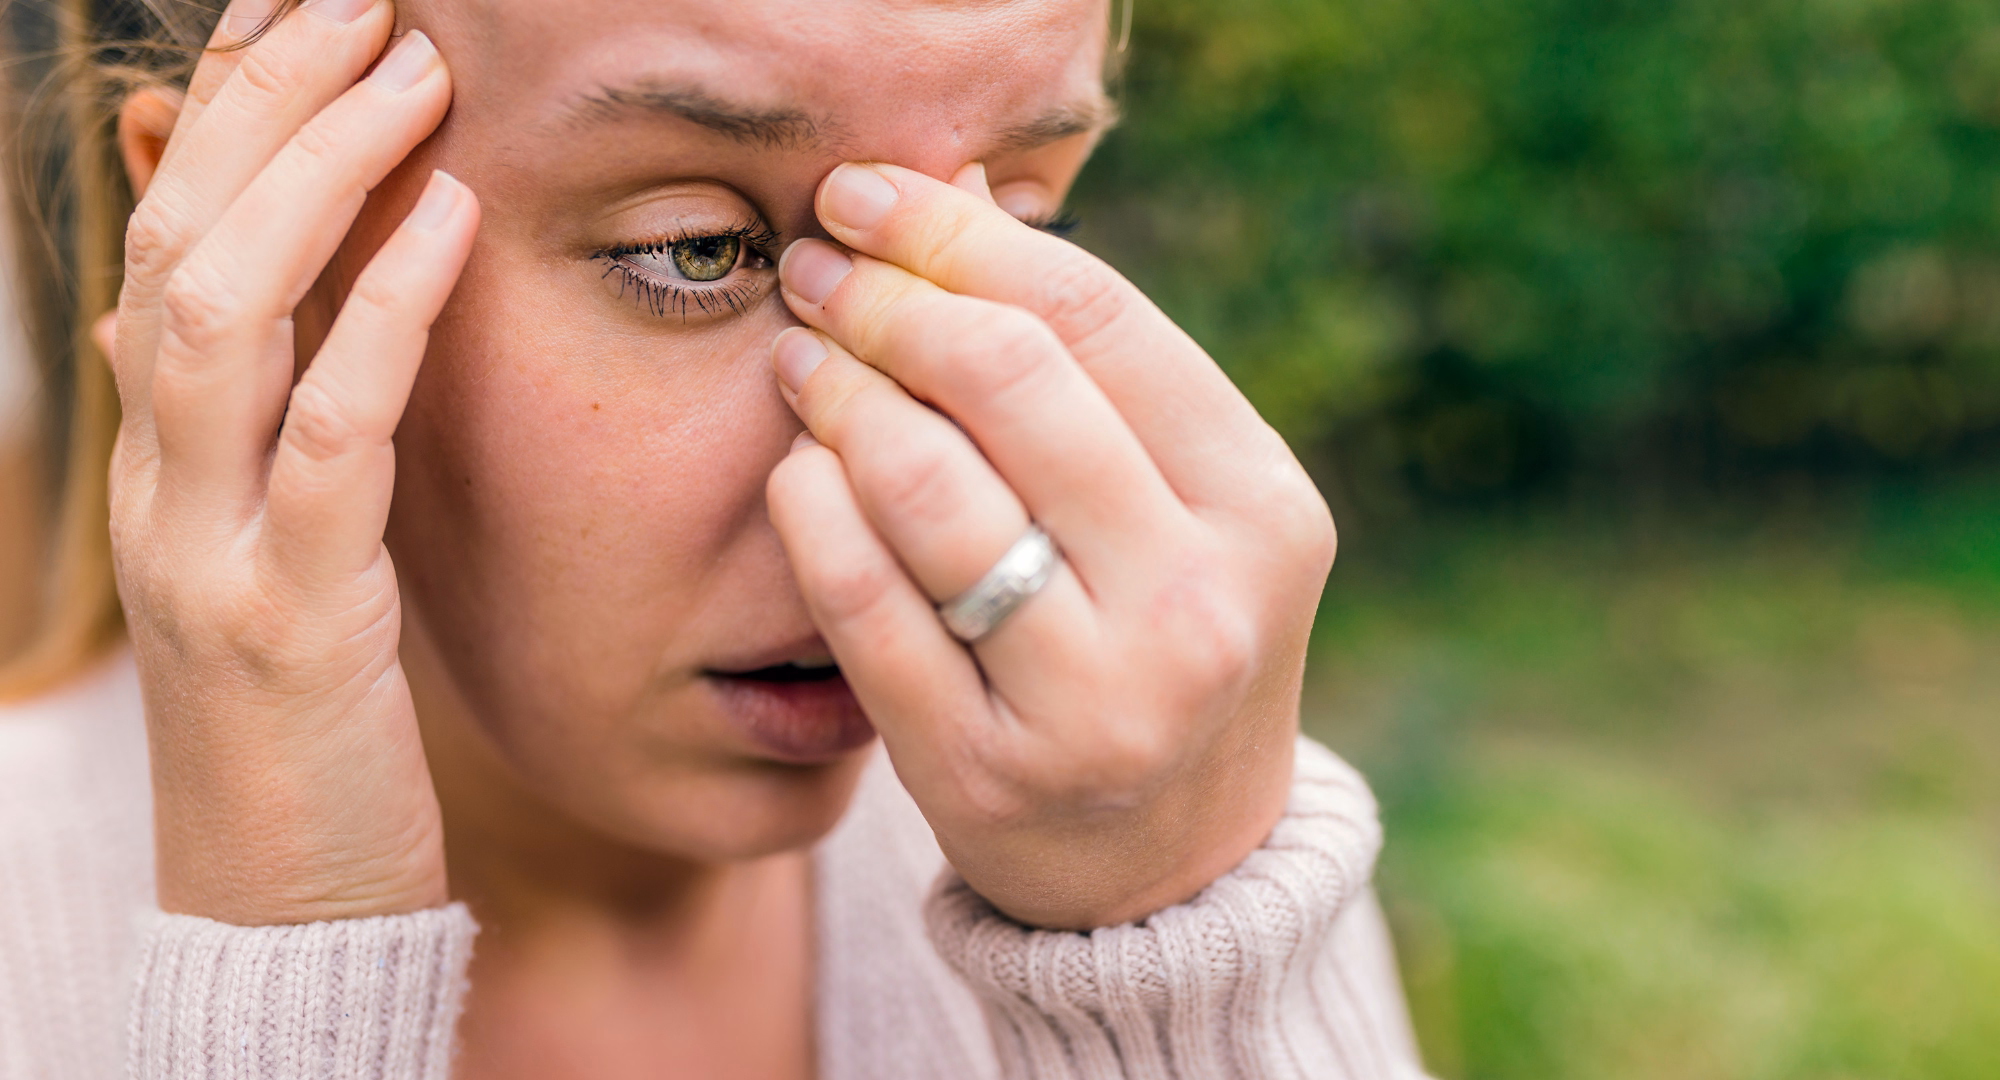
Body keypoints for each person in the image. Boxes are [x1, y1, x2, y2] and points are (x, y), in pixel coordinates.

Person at [0, 0, 1430, 1076]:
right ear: (244, 239)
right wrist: (286, 967)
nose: (900, 470)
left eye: (1016, 229)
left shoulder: (1150, 823)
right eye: (699, 249)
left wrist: (1177, 962)